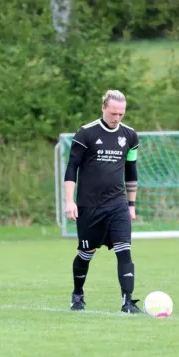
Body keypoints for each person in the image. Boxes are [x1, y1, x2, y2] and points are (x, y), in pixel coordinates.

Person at [63, 90, 141, 313]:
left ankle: (127, 302)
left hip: (117, 204)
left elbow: (131, 170)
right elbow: (72, 167)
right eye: (113, 113)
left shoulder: (130, 136)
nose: (117, 118)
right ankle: (78, 294)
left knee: (124, 249)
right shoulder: (86, 133)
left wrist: (131, 205)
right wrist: (70, 201)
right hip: (89, 206)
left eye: (121, 114)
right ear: (103, 108)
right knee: (86, 253)